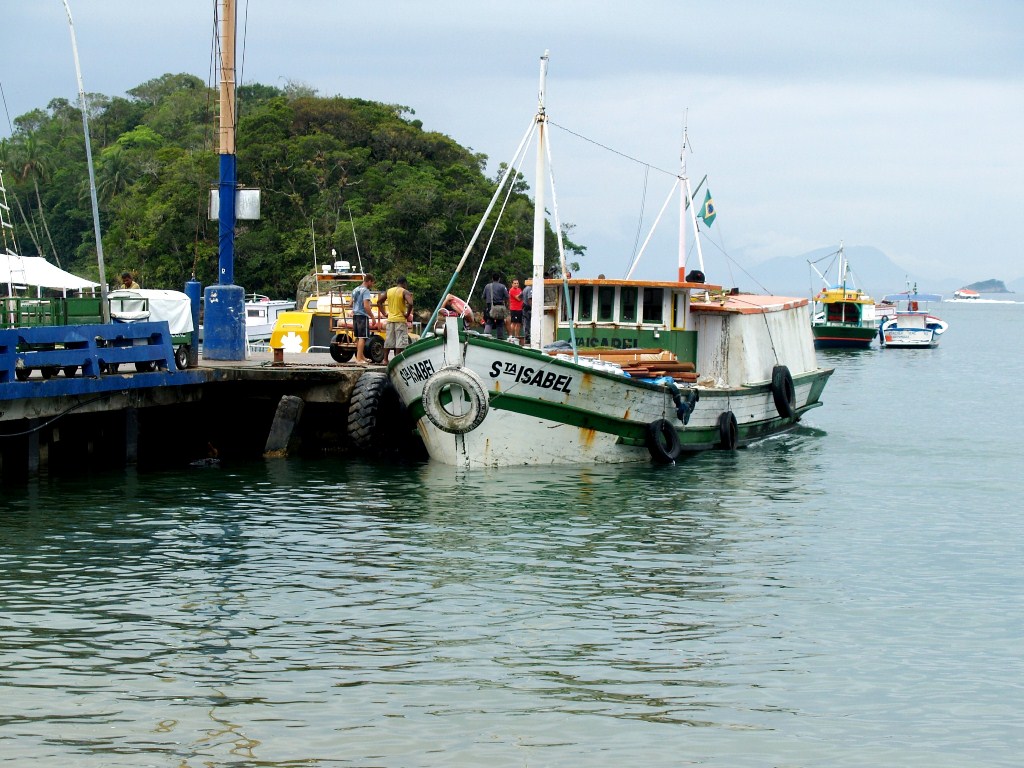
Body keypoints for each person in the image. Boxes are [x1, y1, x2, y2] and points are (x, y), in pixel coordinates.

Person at [377, 276, 413, 363]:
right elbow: (411, 303)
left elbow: (379, 302)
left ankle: (385, 360)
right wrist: (407, 314)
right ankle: (396, 360)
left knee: (389, 340)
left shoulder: (389, 291)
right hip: (400, 320)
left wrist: (384, 313)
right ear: (404, 283)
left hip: (390, 320)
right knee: (400, 341)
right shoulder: (404, 291)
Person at [350, 273, 375, 365]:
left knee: (358, 337)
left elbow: (350, 303)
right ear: (368, 281)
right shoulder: (365, 291)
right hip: (362, 316)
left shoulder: (355, 289)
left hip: (355, 315)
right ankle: (359, 359)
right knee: (363, 337)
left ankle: (361, 356)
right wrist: (372, 317)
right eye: (372, 283)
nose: (372, 285)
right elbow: (366, 306)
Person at [482, 273, 509, 339]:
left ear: (492, 279)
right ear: (499, 279)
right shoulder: (502, 287)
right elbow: (507, 296)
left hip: (490, 306)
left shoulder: (487, 286)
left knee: (489, 321)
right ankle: (500, 338)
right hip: (500, 306)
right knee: (500, 323)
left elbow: (483, 296)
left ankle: (486, 336)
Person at [521, 280, 533, 345]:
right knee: (528, 324)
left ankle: (526, 337)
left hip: (524, 308)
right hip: (528, 309)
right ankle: (528, 338)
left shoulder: (524, 289)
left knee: (526, 323)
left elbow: (519, 297)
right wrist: (532, 307)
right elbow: (530, 298)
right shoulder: (530, 288)